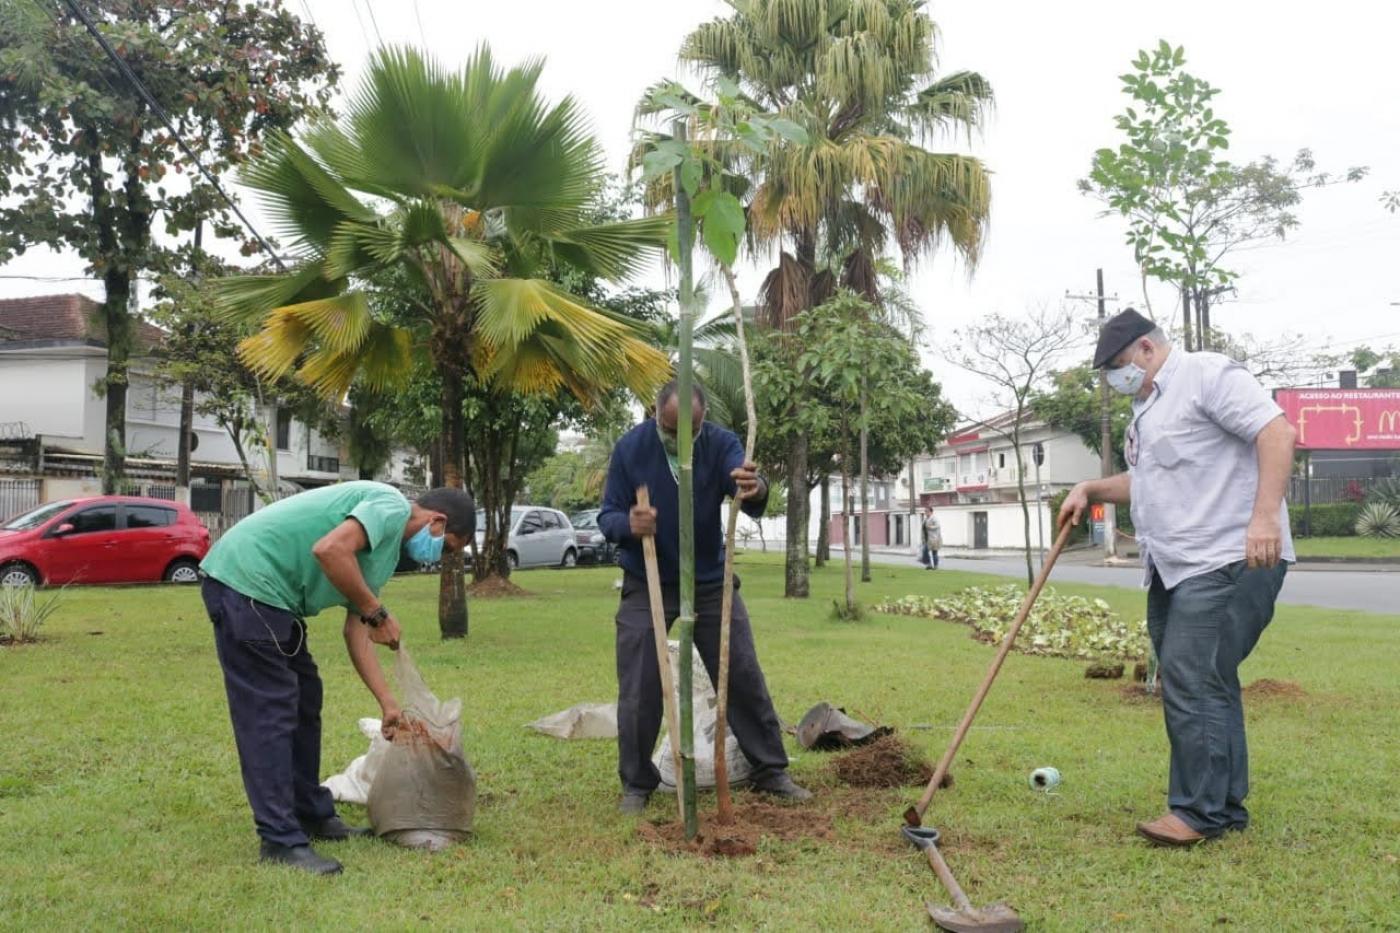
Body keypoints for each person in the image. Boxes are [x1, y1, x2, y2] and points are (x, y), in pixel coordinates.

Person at [1059, 308, 1295, 847]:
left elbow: (1277, 433)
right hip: (1176, 566)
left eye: (1119, 366)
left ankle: (1198, 812)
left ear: (1146, 348)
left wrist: (1263, 518)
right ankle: (1224, 807)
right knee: (1208, 677)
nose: (1116, 379)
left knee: (1191, 674)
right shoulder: (1146, 409)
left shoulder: (1206, 375)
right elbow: (1147, 483)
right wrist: (1091, 489)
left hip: (1229, 556)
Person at [199, 481, 476, 874]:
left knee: (306, 699)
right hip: (247, 582)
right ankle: (279, 840)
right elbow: (329, 550)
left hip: (274, 598)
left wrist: (388, 703)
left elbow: (356, 632)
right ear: (437, 520)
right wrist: (377, 612)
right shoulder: (391, 505)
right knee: (271, 712)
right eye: (448, 546)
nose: (441, 557)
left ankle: (310, 814)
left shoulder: (381, 556)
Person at [599, 380, 811, 814]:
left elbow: (748, 490)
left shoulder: (719, 443)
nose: (680, 440)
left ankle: (770, 769)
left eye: (689, 430)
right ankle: (636, 785)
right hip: (649, 577)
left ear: (703, 419)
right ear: (656, 415)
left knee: (740, 670)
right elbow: (607, 516)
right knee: (639, 679)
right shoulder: (631, 449)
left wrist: (756, 486)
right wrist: (629, 525)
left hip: (710, 579)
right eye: (670, 429)